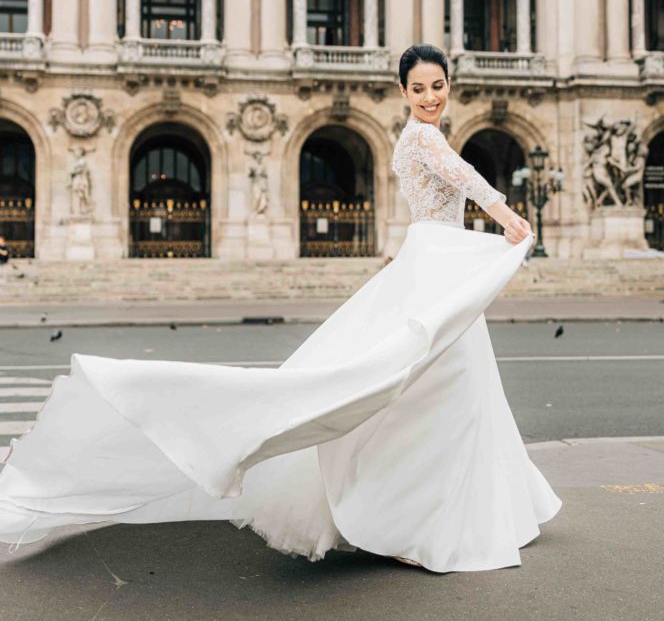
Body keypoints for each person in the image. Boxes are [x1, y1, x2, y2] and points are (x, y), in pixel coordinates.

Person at [0, 43, 561, 571]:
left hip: (432, 259)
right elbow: (461, 176)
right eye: (419, 89)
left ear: (448, 85)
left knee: (442, 393)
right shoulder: (423, 139)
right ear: (402, 91)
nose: (431, 96)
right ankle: (420, 518)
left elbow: (433, 201)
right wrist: (506, 214)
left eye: (438, 86)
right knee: (440, 393)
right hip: (436, 262)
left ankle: (443, 509)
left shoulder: (413, 137)